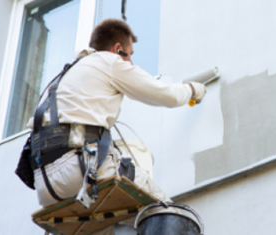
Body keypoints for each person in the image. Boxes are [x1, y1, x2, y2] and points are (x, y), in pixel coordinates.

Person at [27, 18, 206, 234]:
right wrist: (193, 90)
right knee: (164, 212)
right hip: (82, 169)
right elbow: (164, 94)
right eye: (129, 55)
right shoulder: (109, 62)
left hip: (45, 186)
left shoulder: (62, 78)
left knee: (100, 227)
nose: (129, 63)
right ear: (117, 49)